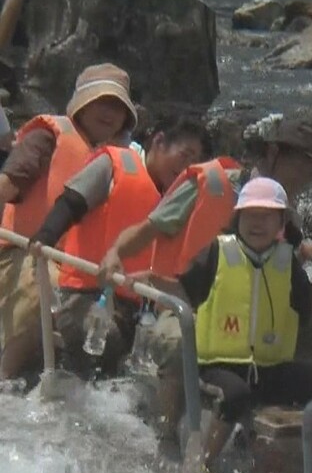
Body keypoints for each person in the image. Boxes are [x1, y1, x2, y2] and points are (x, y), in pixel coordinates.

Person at [97, 117, 312, 457]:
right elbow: (148, 229)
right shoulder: (211, 183)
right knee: (179, 337)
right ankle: (166, 435)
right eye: (302, 166)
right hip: (184, 297)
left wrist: (311, 256)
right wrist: (115, 254)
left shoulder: (289, 215)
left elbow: (275, 271)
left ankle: (273, 420)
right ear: (272, 153)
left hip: (247, 322)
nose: (307, 179)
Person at [131, 177, 312, 473]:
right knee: (236, 396)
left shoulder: (286, 261)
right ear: (238, 218)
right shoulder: (217, 252)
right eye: (250, 216)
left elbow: (309, 310)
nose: (257, 223)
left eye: (266, 217)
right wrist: (151, 280)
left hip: (269, 367)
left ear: (281, 222)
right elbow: (184, 291)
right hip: (217, 365)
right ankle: (201, 467)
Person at [29, 116, 210, 377]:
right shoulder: (114, 164)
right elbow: (71, 202)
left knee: (183, 340)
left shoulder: (181, 201)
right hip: (84, 296)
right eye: (185, 155)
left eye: (195, 162)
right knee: (109, 339)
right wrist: (44, 236)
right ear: (159, 142)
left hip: (140, 306)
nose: (187, 166)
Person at [0, 63, 137, 380]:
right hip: (22, 253)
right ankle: (6, 379)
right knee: (47, 288)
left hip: (78, 268)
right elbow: (7, 185)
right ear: (82, 103)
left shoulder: (115, 159)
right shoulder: (47, 137)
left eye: (118, 106)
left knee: (112, 318)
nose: (109, 112)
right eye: (101, 101)